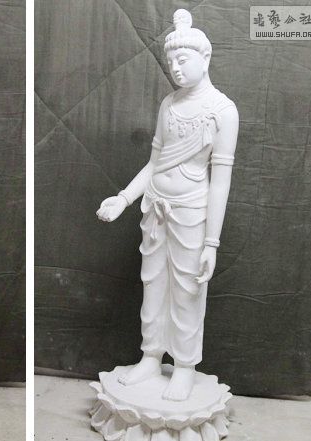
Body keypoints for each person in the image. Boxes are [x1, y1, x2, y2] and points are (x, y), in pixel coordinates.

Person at [97, 9, 238, 401]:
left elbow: (220, 181)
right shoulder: (169, 105)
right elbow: (155, 162)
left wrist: (212, 243)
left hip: (192, 213)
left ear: (205, 58)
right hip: (155, 208)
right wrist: (125, 198)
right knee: (153, 285)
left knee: (187, 290)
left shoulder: (223, 111)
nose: (175, 67)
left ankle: (185, 366)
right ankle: (150, 355)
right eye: (171, 61)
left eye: (183, 59)